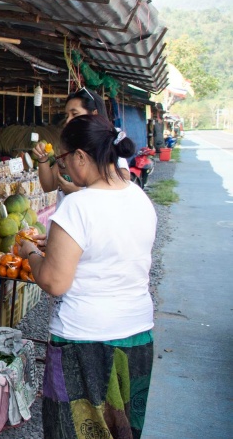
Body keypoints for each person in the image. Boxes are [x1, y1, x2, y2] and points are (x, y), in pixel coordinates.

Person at [18, 115, 156, 439]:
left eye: (63, 159)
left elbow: (54, 281)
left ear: (81, 156)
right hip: (137, 336)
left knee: (75, 431)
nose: (62, 169)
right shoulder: (138, 197)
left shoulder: (78, 206)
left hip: (85, 342)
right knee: (121, 429)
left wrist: (32, 254)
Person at [34, 87, 130, 205]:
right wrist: (43, 160)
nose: (68, 120)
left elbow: (124, 178)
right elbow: (49, 186)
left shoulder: (107, 138)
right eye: (67, 115)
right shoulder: (70, 141)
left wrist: (79, 192)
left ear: (94, 114)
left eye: (74, 114)